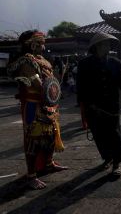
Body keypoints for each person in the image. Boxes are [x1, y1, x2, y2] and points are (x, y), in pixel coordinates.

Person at [7, 30, 67, 189]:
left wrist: (55, 91)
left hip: (48, 104)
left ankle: (48, 163)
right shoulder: (26, 61)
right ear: (30, 44)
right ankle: (31, 175)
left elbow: (50, 81)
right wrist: (52, 91)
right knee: (34, 140)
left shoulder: (44, 60)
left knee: (49, 137)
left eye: (43, 42)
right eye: (39, 42)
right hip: (34, 105)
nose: (43, 45)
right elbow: (38, 84)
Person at [77, 32, 121, 176]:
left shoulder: (115, 62)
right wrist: (87, 104)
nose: (109, 46)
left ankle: (116, 163)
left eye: (109, 44)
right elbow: (81, 87)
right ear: (98, 46)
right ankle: (107, 157)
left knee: (114, 134)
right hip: (93, 107)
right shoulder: (84, 64)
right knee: (99, 135)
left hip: (111, 106)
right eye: (106, 44)